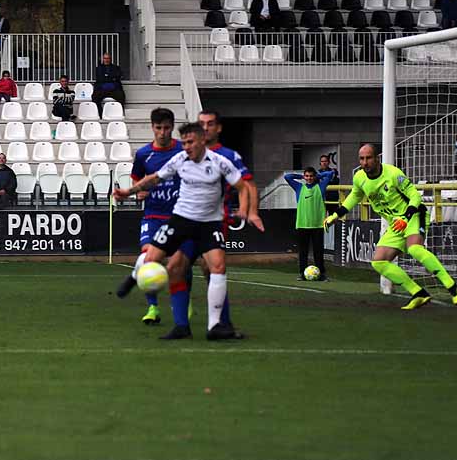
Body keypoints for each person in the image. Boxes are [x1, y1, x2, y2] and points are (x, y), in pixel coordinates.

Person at [113, 122, 264, 341]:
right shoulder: (180, 160)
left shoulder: (220, 162)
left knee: (217, 266)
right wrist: (129, 191)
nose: (187, 147)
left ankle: (215, 327)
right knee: (151, 259)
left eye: (190, 142)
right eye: (183, 142)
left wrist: (243, 210)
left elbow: (242, 187)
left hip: (209, 223)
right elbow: (154, 178)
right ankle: (135, 277)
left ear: (203, 140)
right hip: (181, 219)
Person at [324, 144, 457, 309]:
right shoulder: (359, 178)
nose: (365, 162)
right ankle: (418, 293)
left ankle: (453, 288)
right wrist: (335, 215)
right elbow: (354, 197)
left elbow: (414, 196)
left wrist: (406, 217)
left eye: (368, 158)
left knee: (415, 249)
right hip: (395, 222)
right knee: (378, 262)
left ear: (377, 158)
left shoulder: (393, 174)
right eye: (361, 159)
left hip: (413, 215)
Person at [115, 107, 195, 328]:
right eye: (158, 128)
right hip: (153, 215)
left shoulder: (182, 151)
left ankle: (183, 301)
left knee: (181, 263)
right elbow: (136, 179)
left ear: (172, 128)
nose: (162, 132)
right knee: (149, 258)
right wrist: (138, 191)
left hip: (179, 215)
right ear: (152, 127)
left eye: (167, 128)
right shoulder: (143, 154)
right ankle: (153, 307)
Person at [283, 167, 334, 282]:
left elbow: (330, 174)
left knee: (318, 252)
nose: (309, 178)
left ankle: (322, 274)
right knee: (303, 252)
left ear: (314, 176)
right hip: (302, 225)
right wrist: (301, 176)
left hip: (318, 225)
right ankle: (302, 273)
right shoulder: (299, 187)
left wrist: (318, 176)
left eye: (311, 176)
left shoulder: (320, 187)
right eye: (307, 176)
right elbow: (287, 177)